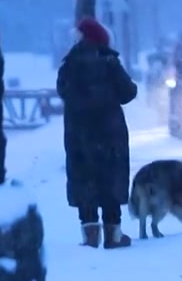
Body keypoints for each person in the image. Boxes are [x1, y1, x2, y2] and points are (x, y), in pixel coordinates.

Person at [56, 17, 138, 249]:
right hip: (109, 132)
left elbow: (63, 92)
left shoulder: (69, 64)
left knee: (84, 180)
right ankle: (113, 235)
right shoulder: (110, 62)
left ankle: (90, 235)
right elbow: (128, 93)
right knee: (109, 179)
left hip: (78, 133)